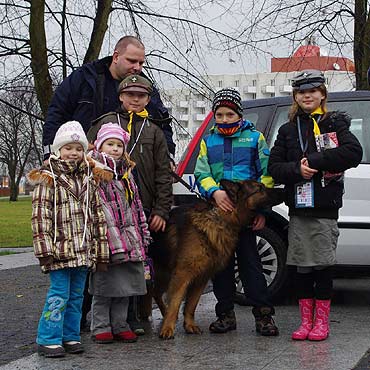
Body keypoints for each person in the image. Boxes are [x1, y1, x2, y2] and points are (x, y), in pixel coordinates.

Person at [268, 70, 363, 341]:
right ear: (295, 97)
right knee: (301, 267)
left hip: (324, 210)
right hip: (298, 210)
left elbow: (353, 153)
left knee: (322, 266)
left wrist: (316, 161)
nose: (307, 95)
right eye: (301, 92)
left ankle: (321, 323)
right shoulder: (287, 130)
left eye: (312, 90)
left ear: (322, 94)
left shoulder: (335, 123)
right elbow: (274, 167)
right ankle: (304, 322)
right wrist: (297, 169)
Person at [88, 74, 173, 334]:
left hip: (140, 208)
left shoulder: (154, 130)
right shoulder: (104, 123)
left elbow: (163, 173)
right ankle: (99, 321)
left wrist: (161, 209)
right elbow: (87, 155)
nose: (135, 99)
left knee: (137, 266)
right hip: (106, 210)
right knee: (107, 266)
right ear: (121, 96)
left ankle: (134, 316)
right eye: (130, 95)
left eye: (141, 95)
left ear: (148, 99)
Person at [194, 88, 279, 336]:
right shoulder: (208, 140)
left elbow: (266, 176)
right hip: (219, 218)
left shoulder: (255, 138)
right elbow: (202, 172)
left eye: (229, 114)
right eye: (219, 114)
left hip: (245, 219)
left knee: (251, 265)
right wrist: (215, 193)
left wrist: (261, 211)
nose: (223, 119)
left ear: (238, 114)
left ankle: (264, 317)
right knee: (221, 268)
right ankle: (225, 315)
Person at [27, 121, 110, 358]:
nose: (73, 153)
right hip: (59, 249)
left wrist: (100, 253)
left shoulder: (88, 179)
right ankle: (48, 337)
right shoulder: (48, 178)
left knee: (77, 297)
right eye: (68, 148)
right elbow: (40, 216)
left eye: (78, 148)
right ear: (58, 150)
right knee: (58, 295)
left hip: (83, 251)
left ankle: (70, 335)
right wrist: (44, 250)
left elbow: (97, 217)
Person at [43, 35, 175, 161]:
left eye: (141, 63)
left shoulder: (146, 88)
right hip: (84, 164)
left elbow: (162, 123)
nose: (137, 67)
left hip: (134, 169)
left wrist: (168, 157)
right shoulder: (84, 78)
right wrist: (49, 153)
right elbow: (56, 114)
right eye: (132, 61)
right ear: (116, 57)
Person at [88, 123, 151, 344]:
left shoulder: (126, 175)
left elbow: (136, 207)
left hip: (130, 238)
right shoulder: (95, 173)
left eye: (118, 145)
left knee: (125, 288)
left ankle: (120, 324)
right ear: (100, 146)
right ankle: (101, 326)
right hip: (108, 240)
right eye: (110, 144)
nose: (115, 149)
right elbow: (95, 208)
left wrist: (143, 235)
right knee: (104, 288)